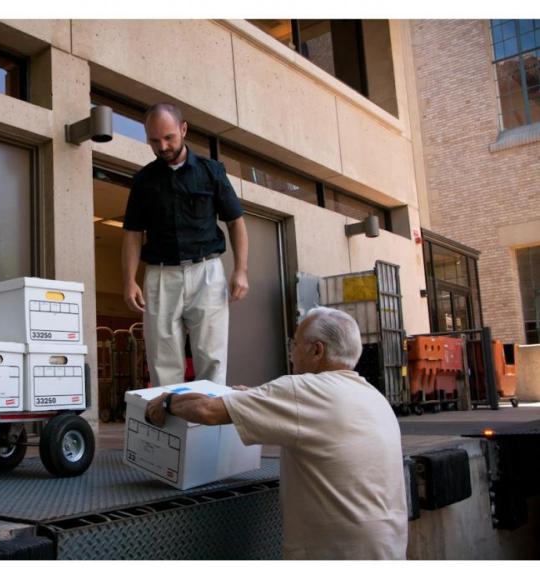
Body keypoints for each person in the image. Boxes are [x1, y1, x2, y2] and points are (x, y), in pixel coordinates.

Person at [145, 306, 408, 560]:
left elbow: (206, 411)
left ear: (317, 350)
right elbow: (303, 410)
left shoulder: (301, 391)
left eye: (295, 344)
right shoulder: (372, 396)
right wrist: (253, 397)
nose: (292, 353)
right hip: (389, 547)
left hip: (336, 553)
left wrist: (167, 401)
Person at [122, 102, 249, 387]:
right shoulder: (143, 180)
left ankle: (209, 429)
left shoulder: (211, 171)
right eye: (154, 140)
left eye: (169, 138)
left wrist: (241, 270)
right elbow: (132, 233)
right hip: (160, 274)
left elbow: (235, 221)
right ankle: (172, 429)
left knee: (212, 357)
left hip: (207, 272)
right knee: (162, 361)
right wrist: (129, 280)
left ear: (183, 129)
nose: (163, 146)